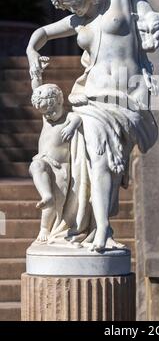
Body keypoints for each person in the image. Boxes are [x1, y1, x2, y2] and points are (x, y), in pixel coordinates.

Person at [26, 0, 159, 251]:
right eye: (68, 8)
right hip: (88, 100)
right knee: (89, 161)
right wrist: (31, 54)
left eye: (75, 4)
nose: (73, 12)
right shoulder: (78, 22)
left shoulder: (117, 5)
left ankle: (99, 227)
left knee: (102, 163)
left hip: (124, 98)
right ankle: (94, 227)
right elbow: (41, 34)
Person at [29, 84, 82, 242]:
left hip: (61, 168)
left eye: (52, 112)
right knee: (36, 165)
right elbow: (36, 88)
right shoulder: (46, 119)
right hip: (44, 159)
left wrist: (72, 127)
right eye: (46, 113)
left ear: (59, 102)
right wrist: (37, 73)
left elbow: (77, 118)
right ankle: (45, 196)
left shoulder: (68, 117)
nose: (49, 116)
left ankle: (46, 226)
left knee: (56, 204)